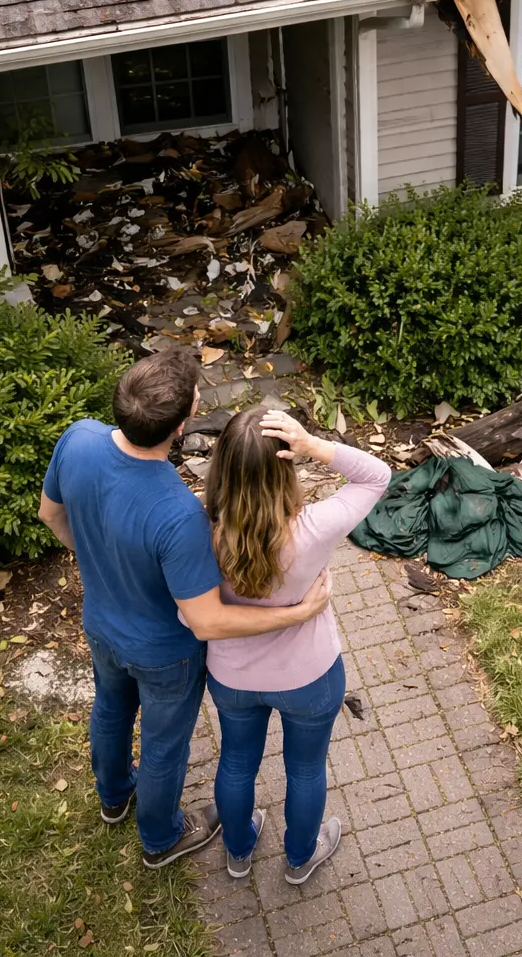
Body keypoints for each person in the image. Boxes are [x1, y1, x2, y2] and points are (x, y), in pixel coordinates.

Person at [37, 349, 332, 870]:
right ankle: (160, 837)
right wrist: (297, 613)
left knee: (109, 708)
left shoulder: (78, 438)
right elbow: (207, 620)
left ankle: (113, 797)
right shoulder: (178, 512)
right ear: (180, 425)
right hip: (163, 655)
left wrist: (99, 559)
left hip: (102, 624)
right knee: (162, 747)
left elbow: (50, 513)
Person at [204, 407, 391, 881]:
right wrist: (314, 445)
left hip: (232, 676)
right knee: (305, 770)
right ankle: (300, 857)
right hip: (309, 677)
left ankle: (239, 850)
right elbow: (377, 475)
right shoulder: (316, 526)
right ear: (284, 467)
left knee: (236, 761)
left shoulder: (201, 529)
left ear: (223, 465)